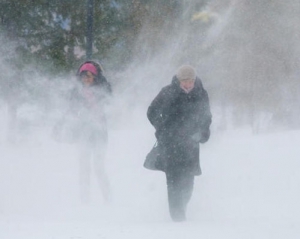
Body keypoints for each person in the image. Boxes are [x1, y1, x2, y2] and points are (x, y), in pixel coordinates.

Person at [147, 65, 212, 222]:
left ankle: (181, 210)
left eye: (190, 81)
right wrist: (162, 129)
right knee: (174, 182)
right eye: (185, 81)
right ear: (178, 80)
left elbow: (206, 116)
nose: (188, 84)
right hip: (171, 145)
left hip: (191, 145)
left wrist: (202, 133)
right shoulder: (167, 92)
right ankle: (177, 219)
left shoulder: (201, 94)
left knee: (188, 183)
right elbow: (151, 111)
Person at [53, 60, 112, 204]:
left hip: (99, 134)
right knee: (84, 167)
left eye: (89, 76)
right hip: (83, 134)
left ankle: (108, 199)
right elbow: (71, 110)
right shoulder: (76, 92)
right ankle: (84, 200)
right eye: (83, 77)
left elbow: (110, 105)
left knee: (98, 167)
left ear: (95, 77)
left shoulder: (103, 89)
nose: (85, 79)